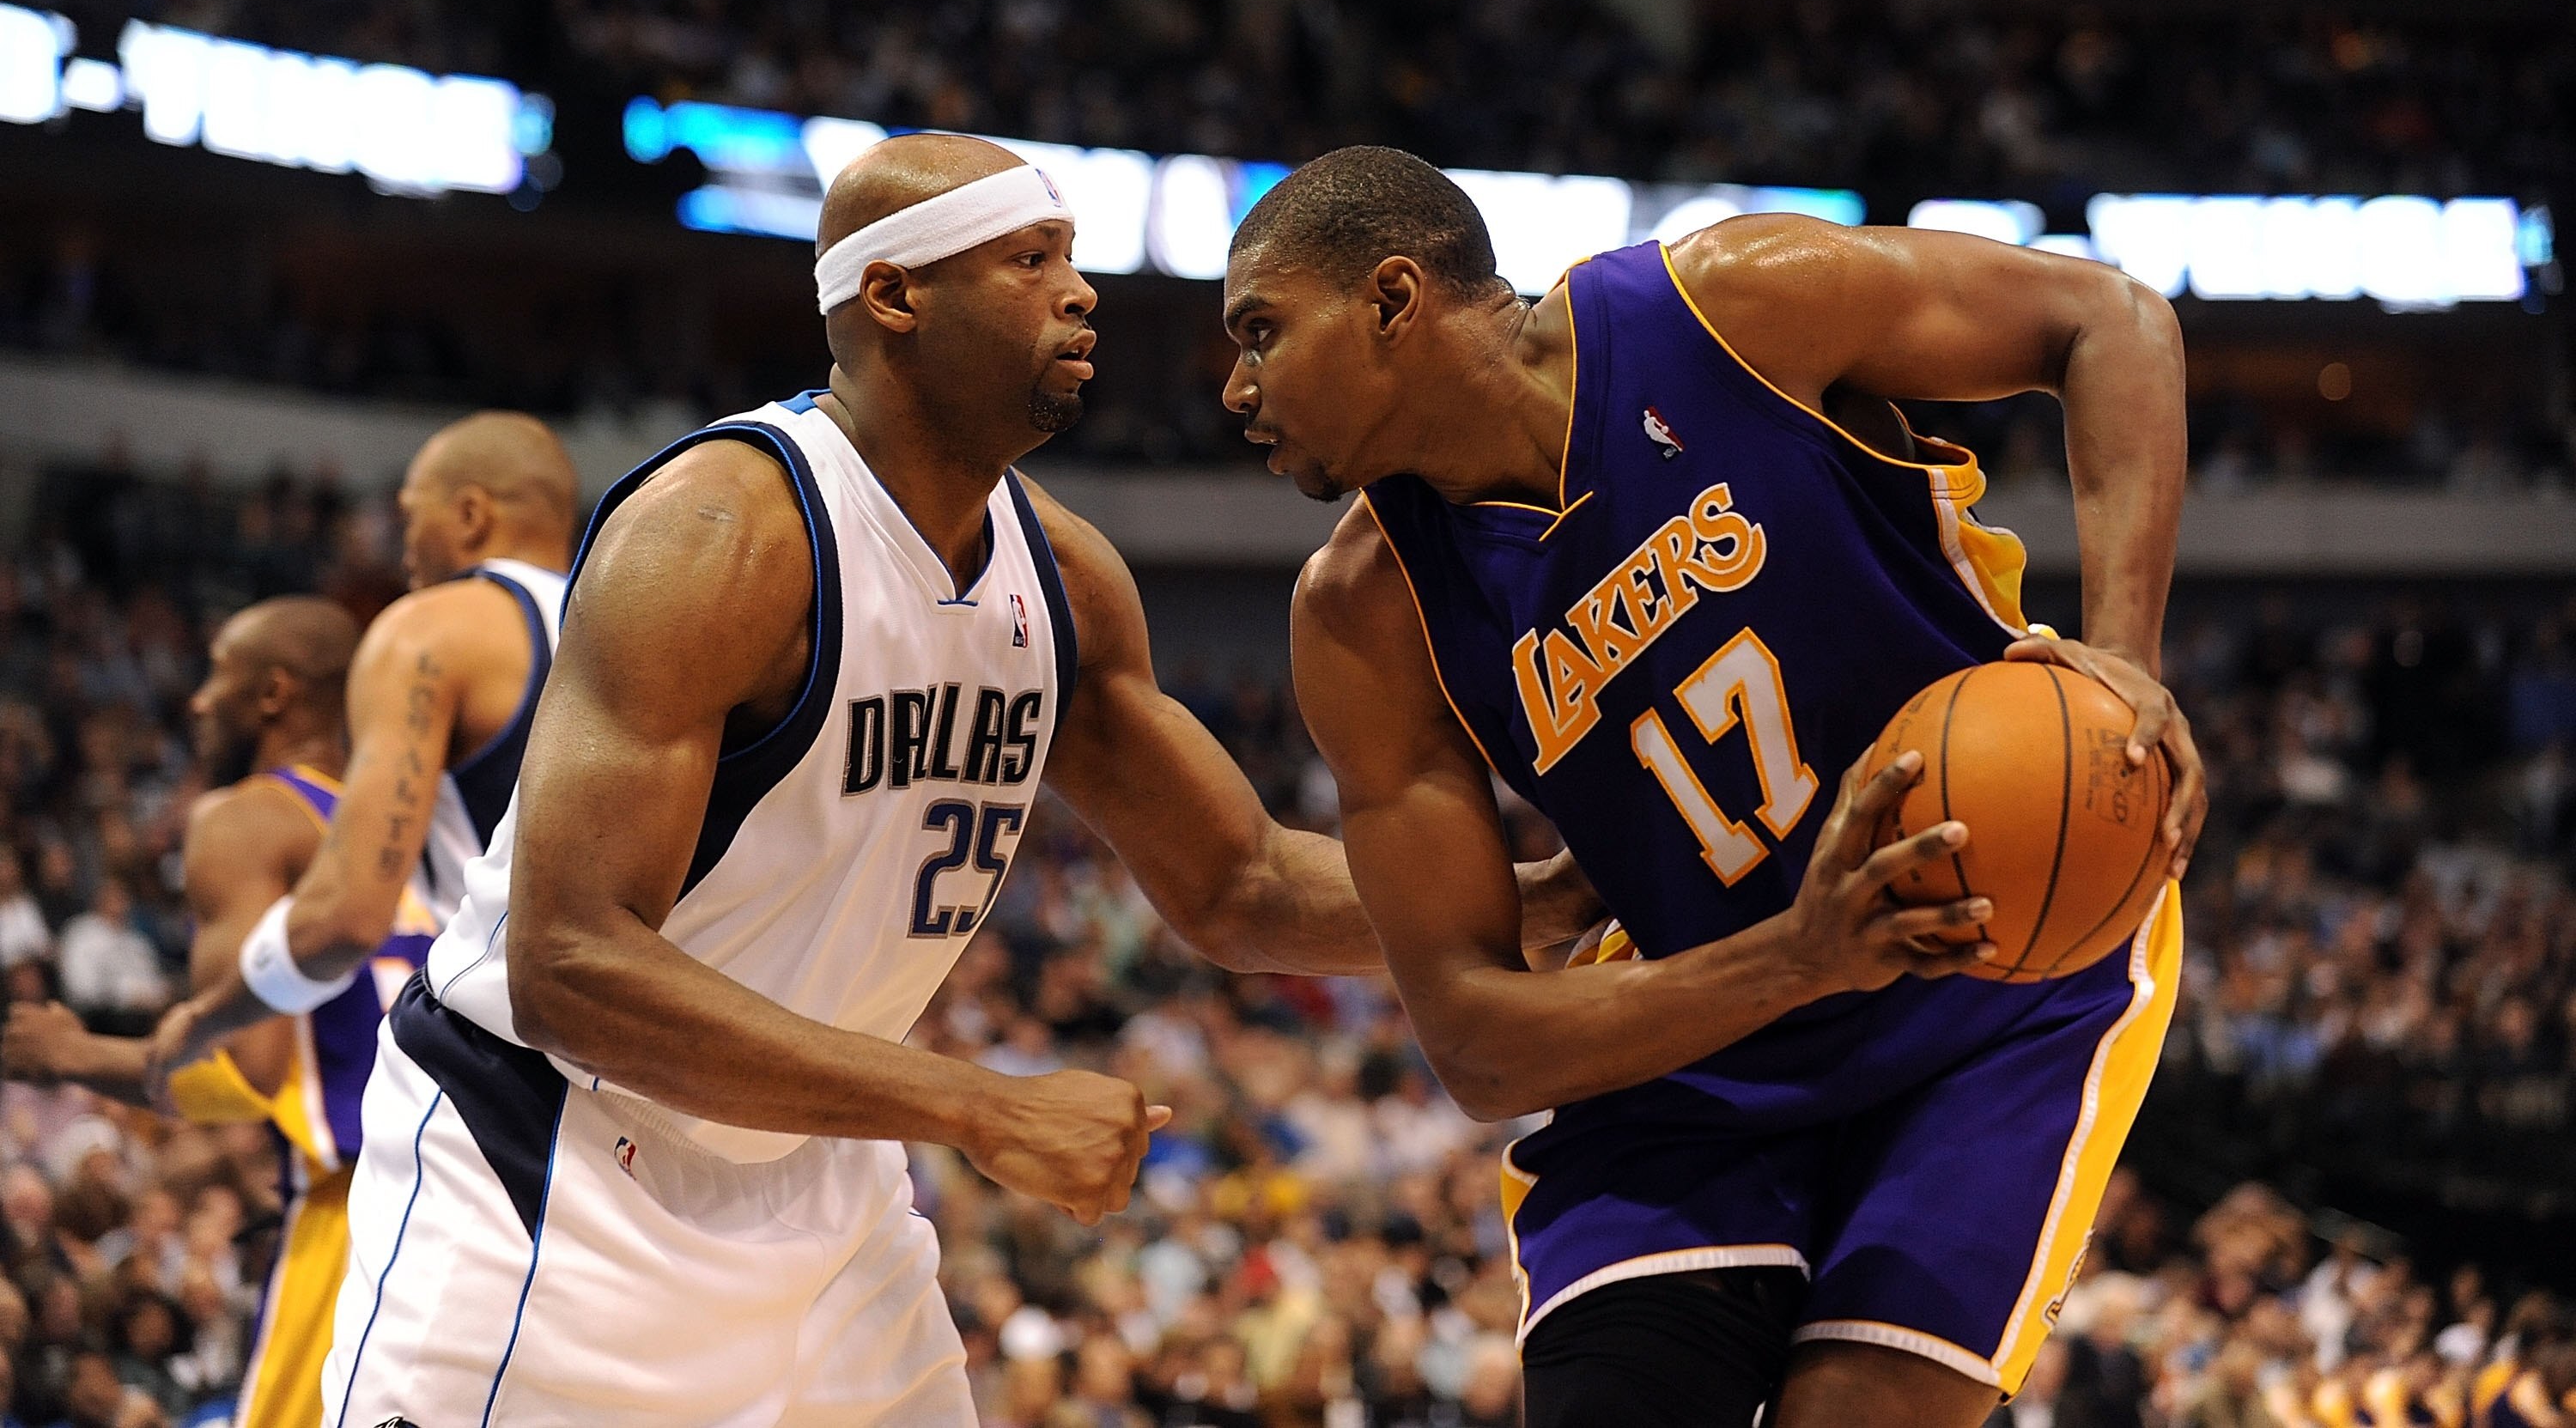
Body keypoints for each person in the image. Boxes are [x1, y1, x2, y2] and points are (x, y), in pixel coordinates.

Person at [319, 134, 1593, 1426]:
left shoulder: (1066, 577)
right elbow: (570, 963)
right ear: (892, 297)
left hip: (822, 1165)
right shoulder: (722, 531)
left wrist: (1540, 902)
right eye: (1031, 260)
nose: (1081, 292)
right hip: (558, 1160)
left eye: (1075, 260)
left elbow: (1243, 881)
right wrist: (980, 1105)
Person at [1227, 146, 2209, 1428]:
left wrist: (2123, 659)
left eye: (1262, 331)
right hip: (1707, 1027)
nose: (1239, 388)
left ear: (1394, 299)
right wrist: (1800, 956)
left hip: (1999, 981)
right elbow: (1475, 1036)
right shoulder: (1363, 615)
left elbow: (2108, 318)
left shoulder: (1724, 306)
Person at [2, 595, 408, 1428]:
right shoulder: (406, 833)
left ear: (273, 695)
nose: (195, 700)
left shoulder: (244, 819)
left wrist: (71, 1056)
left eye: (219, 674)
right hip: (474, 1201)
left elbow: (241, 1071)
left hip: (359, 1208)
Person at [145, 413, 578, 1079]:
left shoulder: (430, 631)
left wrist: (205, 1020)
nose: (401, 544)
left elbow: (344, 921)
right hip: (639, 1069)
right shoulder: (655, 640)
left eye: (410, 516)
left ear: (470, 515)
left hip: (496, 1066)